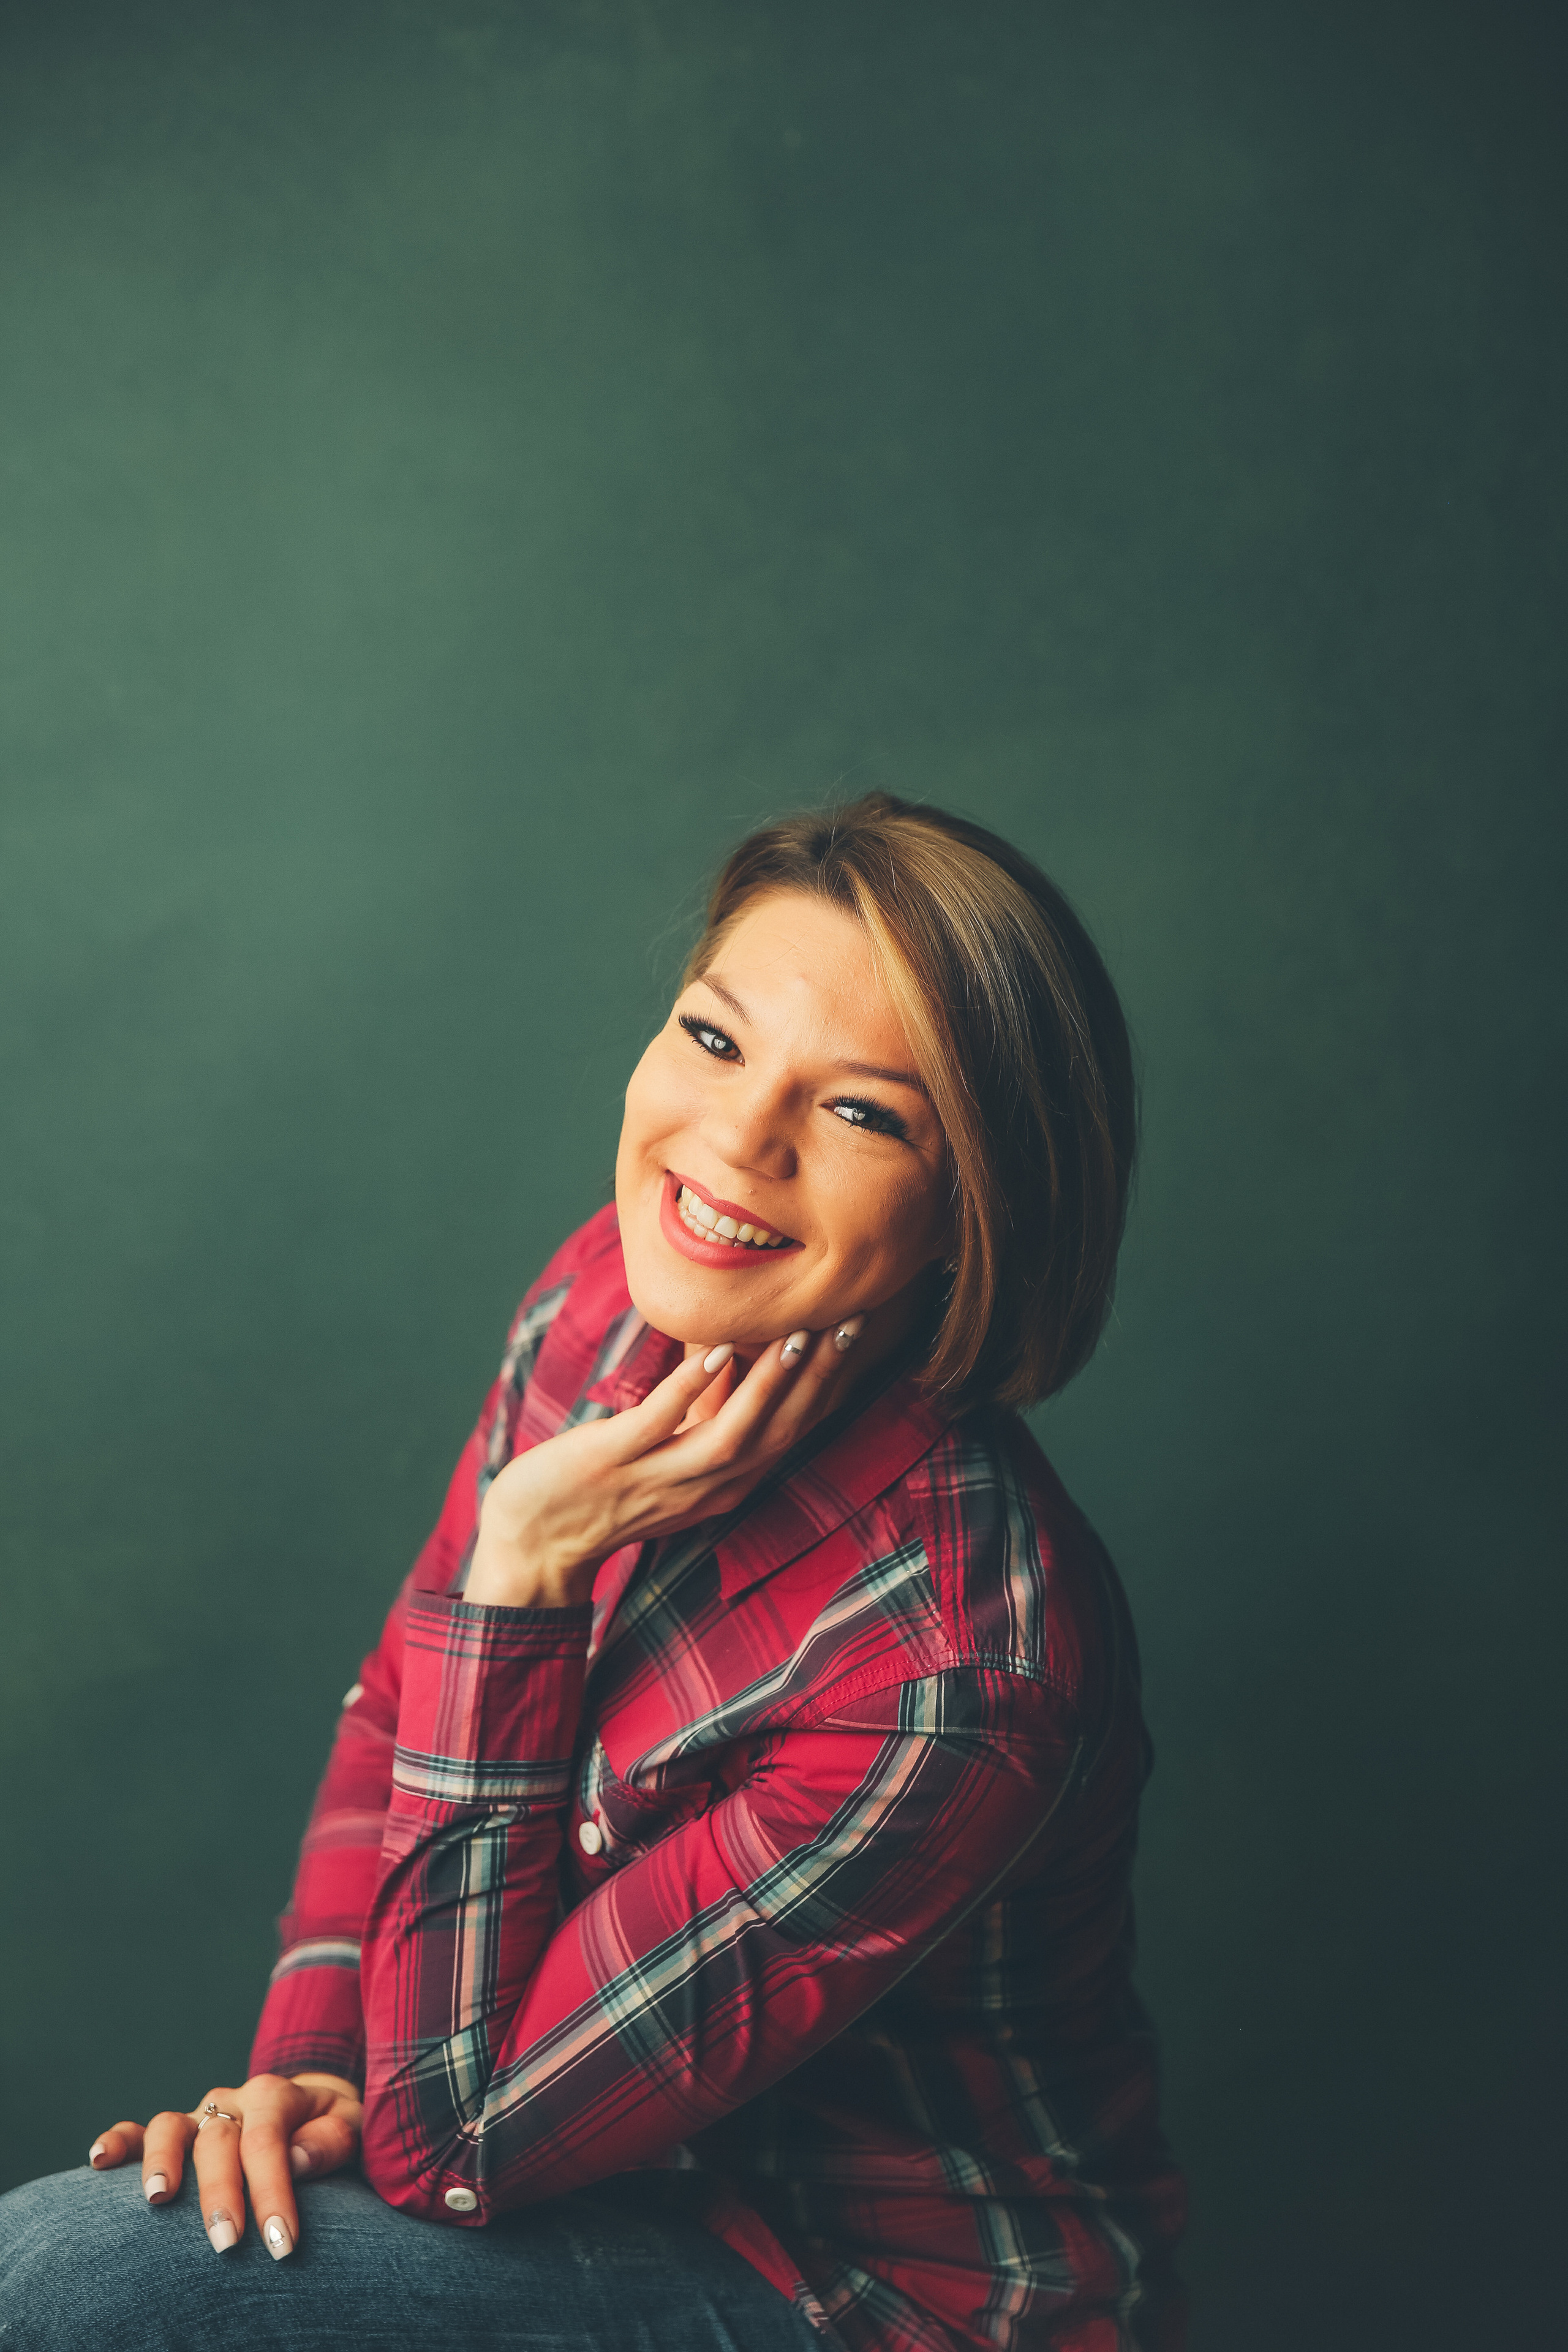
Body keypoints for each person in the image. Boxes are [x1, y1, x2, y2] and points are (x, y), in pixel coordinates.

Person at [0, 794, 1186, 2350]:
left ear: (978, 1208)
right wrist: (309, 2083)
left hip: (859, 2293)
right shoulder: (605, 1301)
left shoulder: (954, 1670)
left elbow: (458, 2143)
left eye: (861, 1113)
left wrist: (526, 1564)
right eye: (713, 1039)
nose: (737, 1144)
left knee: (74, 2285)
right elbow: (397, 1720)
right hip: (580, 2170)